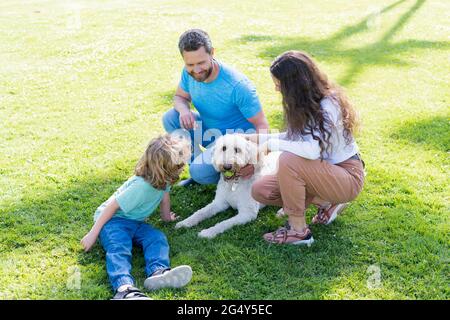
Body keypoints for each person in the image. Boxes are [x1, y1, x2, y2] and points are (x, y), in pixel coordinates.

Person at [250, 51, 365, 245]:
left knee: (288, 160)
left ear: (294, 84)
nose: (277, 89)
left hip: (347, 176)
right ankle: (327, 202)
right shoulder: (307, 103)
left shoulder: (330, 105)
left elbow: (312, 151)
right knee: (261, 190)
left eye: (279, 83)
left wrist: (271, 145)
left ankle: (299, 232)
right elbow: (294, 138)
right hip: (320, 172)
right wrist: (257, 139)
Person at [81, 134, 193, 300]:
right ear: (165, 167)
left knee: (156, 238)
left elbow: (164, 197)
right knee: (119, 247)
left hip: (135, 221)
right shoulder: (141, 186)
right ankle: (124, 288)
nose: (183, 166)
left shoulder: (165, 179)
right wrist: (93, 234)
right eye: (180, 164)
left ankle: (158, 272)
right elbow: (112, 207)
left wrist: (166, 217)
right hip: (113, 221)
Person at [162, 29, 269, 186]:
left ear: (212, 53)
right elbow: (180, 98)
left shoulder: (237, 86)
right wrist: (184, 110)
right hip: (210, 132)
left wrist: (254, 161)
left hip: (236, 142)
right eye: (190, 64)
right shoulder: (188, 73)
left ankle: (224, 171)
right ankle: (199, 166)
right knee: (170, 117)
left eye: (201, 63)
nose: (196, 70)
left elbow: (263, 127)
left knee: (199, 173)